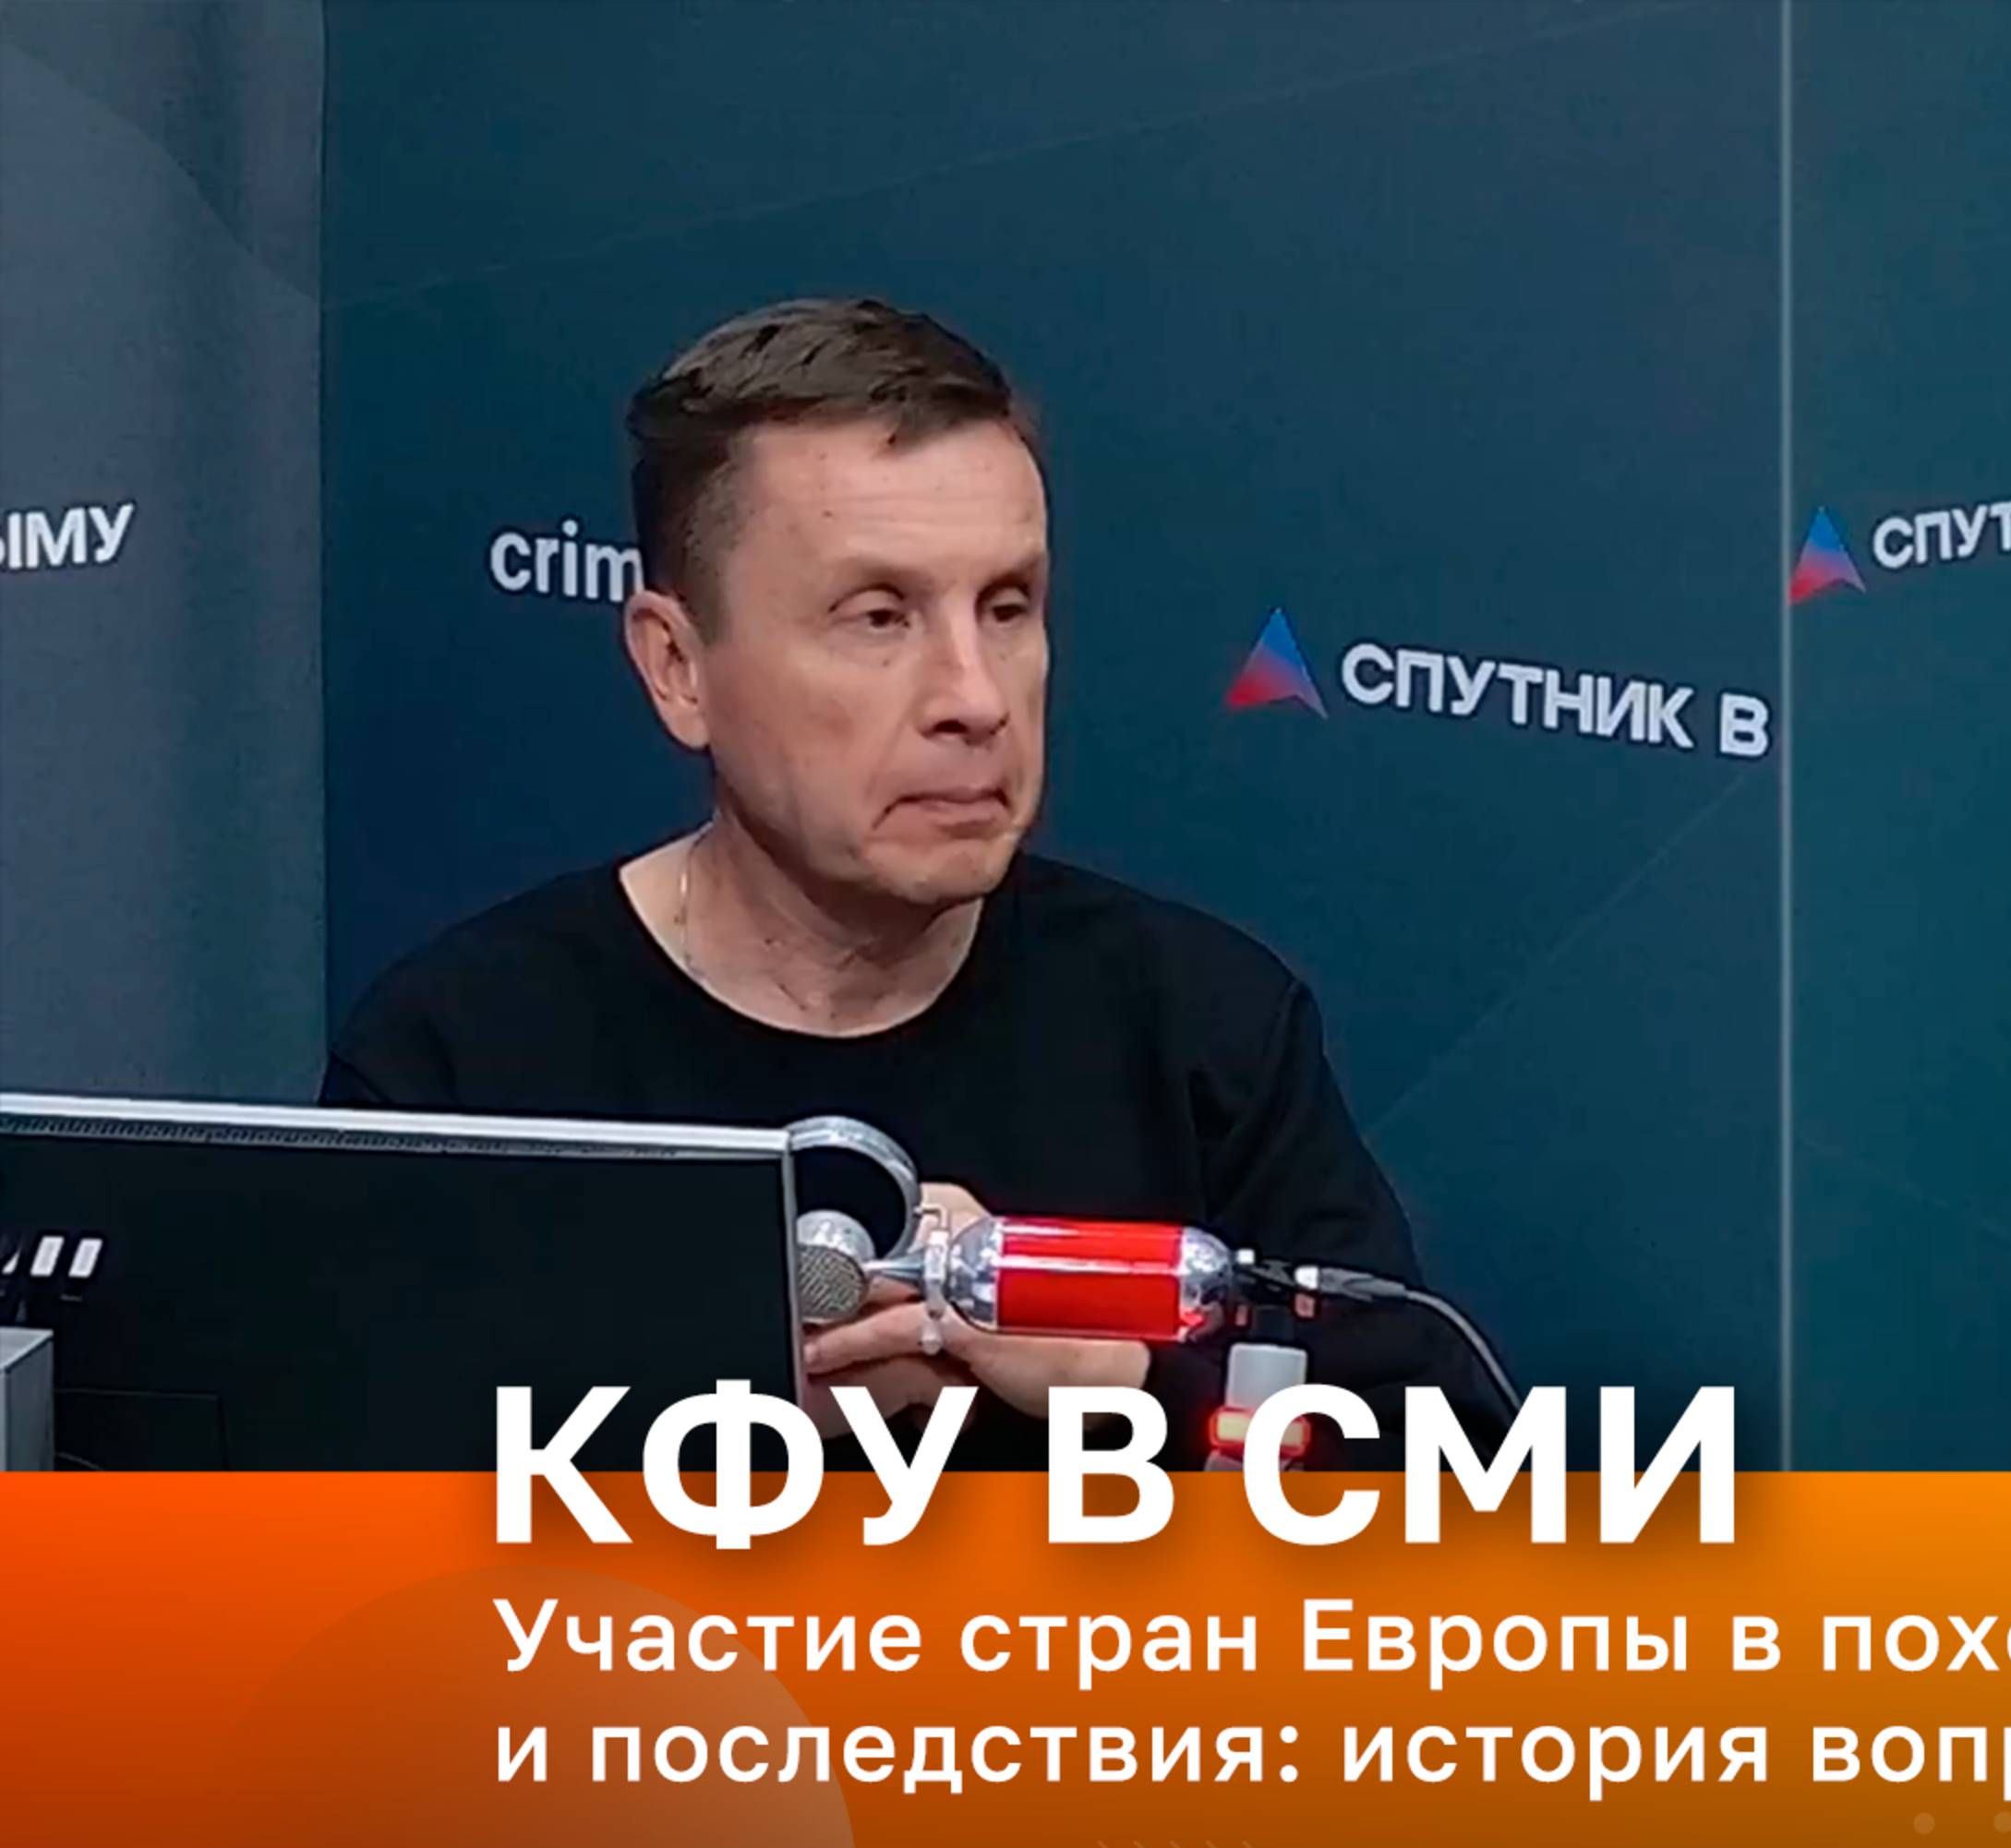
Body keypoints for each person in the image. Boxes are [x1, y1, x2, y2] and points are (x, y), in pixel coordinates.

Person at [324, 295, 1509, 1463]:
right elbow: (312, 1509)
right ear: (678, 667)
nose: (976, 697)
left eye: (1008, 607)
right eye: (879, 617)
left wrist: (1125, 1379)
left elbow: (1444, 1487)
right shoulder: (466, 1061)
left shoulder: (1202, 1028)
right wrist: (716, 1408)